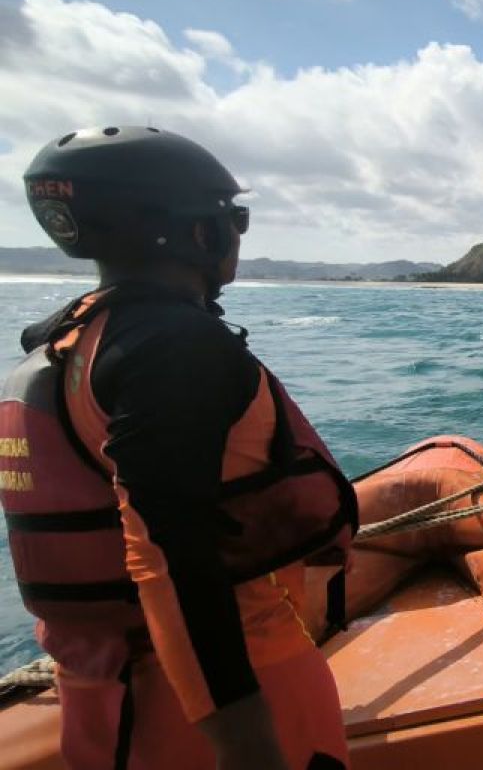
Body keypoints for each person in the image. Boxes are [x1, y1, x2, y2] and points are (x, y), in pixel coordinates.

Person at [0, 127, 358, 769]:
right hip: (227, 700)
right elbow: (166, 547)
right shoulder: (175, 349)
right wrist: (245, 742)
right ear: (203, 233)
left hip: (104, 702)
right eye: (234, 219)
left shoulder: (71, 341)